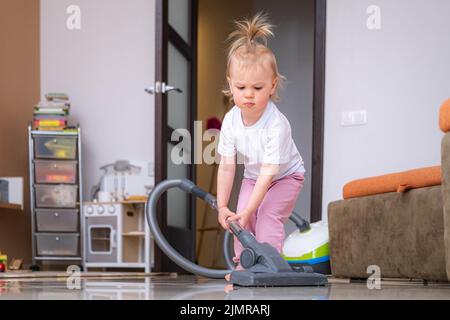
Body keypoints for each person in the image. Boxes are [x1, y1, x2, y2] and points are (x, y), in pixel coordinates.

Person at [216, 12, 306, 281]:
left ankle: (270, 269)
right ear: (231, 85)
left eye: (257, 87)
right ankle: (244, 269)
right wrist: (223, 206)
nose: (249, 94)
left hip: (286, 177)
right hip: (254, 178)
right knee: (241, 222)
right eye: (241, 87)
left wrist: (250, 208)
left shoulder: (276, 125)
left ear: (272, 85)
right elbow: (227, 167)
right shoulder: (231, 120)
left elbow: (269, 173)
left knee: (265, 216)